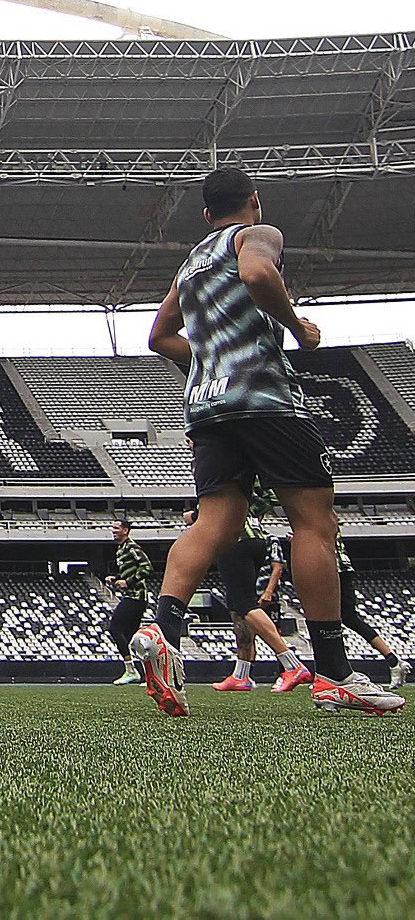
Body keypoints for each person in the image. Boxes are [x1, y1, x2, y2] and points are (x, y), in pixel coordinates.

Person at [136, 166, 402, 716]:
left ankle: (161, 625)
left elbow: (159, 336)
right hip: (265, 401)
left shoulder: (189, 265)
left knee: (215, 523)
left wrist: (210, 359)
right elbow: (258, 276)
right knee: (314, 522)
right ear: (253, 200)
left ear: (206, 213)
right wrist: (298, 327)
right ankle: (333, 672)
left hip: (206, 408)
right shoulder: (256, 235)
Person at [200, 483, 312, 692]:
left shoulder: (216, 463)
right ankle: (241, 675)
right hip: (256, 539)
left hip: (235, 540)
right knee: (237, 608)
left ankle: (292, 664)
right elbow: (269, 495)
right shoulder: (246, 477)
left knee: (244, 605)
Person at [330, 527, 410, 689]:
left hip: (333, 568)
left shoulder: (319, 515)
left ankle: (336, 674)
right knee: (347, 619)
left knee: (333, 619)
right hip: (338, 568)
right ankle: (393, 661)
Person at [104, 519, 151, 686]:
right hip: (131, 596)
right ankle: (150, 676)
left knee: (115, 629)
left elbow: (147, 567)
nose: (113, 530)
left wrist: (128, 582)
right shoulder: (121, 549)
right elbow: (129, 570)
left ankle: (131, 670)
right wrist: (116, 578)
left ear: (125, 530)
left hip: (136, 596)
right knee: (133, 638)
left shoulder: (132, 547)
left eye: (116, 528)